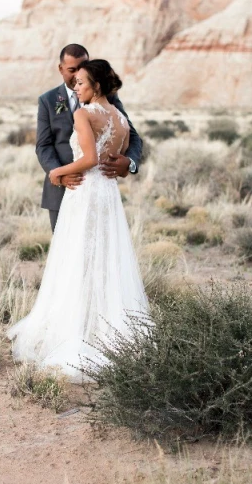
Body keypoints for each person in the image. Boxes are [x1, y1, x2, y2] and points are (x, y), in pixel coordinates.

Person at [8, 59, 149, 379]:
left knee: (77, 257)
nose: (75, 86)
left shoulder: (86, 112)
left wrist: (58, 173)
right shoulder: (117, 118)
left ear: (96, 84)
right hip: (107, 195)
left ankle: (76, 329)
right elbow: (50, 145)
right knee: (100, 257)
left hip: (84, 192)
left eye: (81, 81)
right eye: (73, 79)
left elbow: (91, 158)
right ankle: (105, 325)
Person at [36, 43, 143, 232]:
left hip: (97, 190)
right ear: (60, 69)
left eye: (83, 67)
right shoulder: (49, 100)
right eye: (72, 70)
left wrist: (129, 163)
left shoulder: (109, 97)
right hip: (60, 189)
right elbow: (43, 145)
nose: (78, 73)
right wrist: (59, 174)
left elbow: (132, 135)